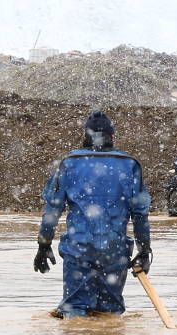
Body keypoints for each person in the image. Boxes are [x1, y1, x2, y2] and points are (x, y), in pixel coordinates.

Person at [34, 110, 152, 319]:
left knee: (74, 313)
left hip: (78, 250)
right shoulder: (130, 166)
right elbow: (140, 215)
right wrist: (143, 250)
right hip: (115, 252)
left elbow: (52, 210)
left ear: (86, 135)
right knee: (110, 316)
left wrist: (44, 244)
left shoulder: (69, 164)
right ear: (112, 137)